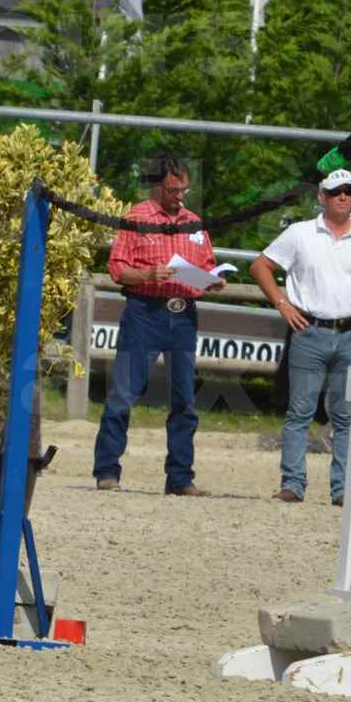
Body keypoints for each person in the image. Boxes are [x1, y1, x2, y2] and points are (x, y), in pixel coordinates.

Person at [92, 156, 225, 496]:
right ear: (157, 184)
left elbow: (207, 265)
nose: (179, 196)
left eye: (184, 189)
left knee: (184, 400)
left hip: (183, 314)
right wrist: (148, 274)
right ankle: (107, 470)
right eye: (172, 189)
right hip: (144, 312)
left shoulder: (194, 223)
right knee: (124, 393)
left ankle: (180, 477)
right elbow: (118, 269)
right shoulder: (136, 218)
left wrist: (213, 280)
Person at [250, 169, 351, 505]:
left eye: (349, 191)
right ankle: (293, 484)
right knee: (300, 411)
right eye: (335, 191)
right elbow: (260, 265)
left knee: (346, 415)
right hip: (308, 330)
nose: (342, 196)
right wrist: (282, 303)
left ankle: (342, 488)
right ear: (321, 197)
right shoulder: (299, 234)